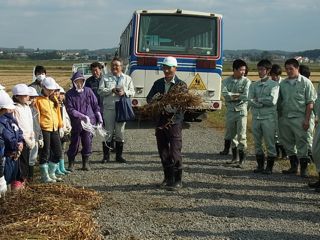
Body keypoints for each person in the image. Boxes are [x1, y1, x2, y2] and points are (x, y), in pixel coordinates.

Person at [146, 56, 187, 190]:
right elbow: (149, 98)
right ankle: (168, 178)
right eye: (165, 67)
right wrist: (156, 101)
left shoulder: (181, 85)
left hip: (174, 121)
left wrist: (172, 107)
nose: (167, 70)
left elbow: (183, 104)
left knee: (175, 150)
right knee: (163, 150)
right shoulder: (158, 83)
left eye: (169, 67)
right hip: (160, 120)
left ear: (175, 68)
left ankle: (178, 180)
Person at [278, 58, 317, 178]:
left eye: (291, 69)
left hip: (300, 118)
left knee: (302, 144)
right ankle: (293, 167)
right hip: (285, 118)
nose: (289, 71)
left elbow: (310, 103)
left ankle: (304, 169)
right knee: (288, 143)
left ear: (297, 68)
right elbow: (280, 102)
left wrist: (307, 120)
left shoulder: (305, 82)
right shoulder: (283, 84)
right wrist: (279, 118)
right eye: (287, 69)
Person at [98, 57, 135, 163]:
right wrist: (111, 90)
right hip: (109, 109)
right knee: (108, 133)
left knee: (120, 133)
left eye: (117, 65)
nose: (114, 67)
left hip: (122, 109)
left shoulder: (127, 78)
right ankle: (106, 157)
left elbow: (133, 92)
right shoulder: (105, 77)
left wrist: (125, 92)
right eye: (113, 65)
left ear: (121, 67)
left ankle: (119, 156)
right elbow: (100, 91)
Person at [65, 71, 103, 171]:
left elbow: (95, 105)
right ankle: (71, 163)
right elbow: (70, 109)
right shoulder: (69, 94)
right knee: (75, 142)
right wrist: (81, 116)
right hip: (76, 123)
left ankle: (85, 163)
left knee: (87, 142)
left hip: (89, 122)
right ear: (73, 82)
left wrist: (99, 117)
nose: (79, 84)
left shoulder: (88, 91)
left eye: (81, 81)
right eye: (77, 82)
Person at [248, 60, 279, 174]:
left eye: (262, 69)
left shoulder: (274, 85)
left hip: (268, 118)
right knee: (257, 143)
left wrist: (259, 100)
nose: (259, 72)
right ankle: (260, 166)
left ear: (268, 71)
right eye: (258, 69)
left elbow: (272, 101)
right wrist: (259, 103)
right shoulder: (254, 85)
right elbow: (250, 100)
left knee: (270, 142)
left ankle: (269, 168)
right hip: (256, 117)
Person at [221, 59, 251, 167]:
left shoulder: (247, 81)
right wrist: (238, 95)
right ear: (234, 70)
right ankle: (234, 157)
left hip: (241, 112)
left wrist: (232, 96)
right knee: (231, 135)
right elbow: (225, 94)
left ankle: (242, 159)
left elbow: (246, 96)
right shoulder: (226, 81)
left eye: (244, 70)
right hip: (230, 111)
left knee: (242, 135)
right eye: (241, 70)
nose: (243, 72)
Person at [35, 77, 64, 183]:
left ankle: (52, 173)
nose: (51, 91)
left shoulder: (54, 99)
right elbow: (37, 117)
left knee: (58, 152)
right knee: (45, 152)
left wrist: (61, 126)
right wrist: (38, 133)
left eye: (52, 90)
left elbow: (58, 114)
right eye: (49, 89)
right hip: (44, 129)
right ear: (43, 87)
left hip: (54, 128)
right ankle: (45, 175)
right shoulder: (38, 100)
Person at [0, 90, 24, 195]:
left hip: (12, 156)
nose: (11, 110)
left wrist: (20, 142)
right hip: (5, 157)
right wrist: (16, 145)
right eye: (9, 108)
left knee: (9, 180)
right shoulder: (2, 124)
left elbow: (18, 131)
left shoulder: (11, 120)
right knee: (4, 182)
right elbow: (7, 138)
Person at [12, 84, 35, 186]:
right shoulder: (15, 109)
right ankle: (17, 190)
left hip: (29, 139)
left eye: (28, 95)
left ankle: (23, 186)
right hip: (21, 141)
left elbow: (30, 124)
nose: (28, 97)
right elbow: (19, 126)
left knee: (25, 165)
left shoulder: (27, 107)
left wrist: (32, 136)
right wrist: (25, 139)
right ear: (17, 96)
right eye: (25, 95)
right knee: (20, 167)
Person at [270, 64, 287, 159]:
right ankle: (277, 152)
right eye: (272, 75)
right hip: (272, 111)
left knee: (283, 133)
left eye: (276, 75)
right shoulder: (269, 83)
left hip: (283, 111)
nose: (274, 77)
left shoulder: (284, 83)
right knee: (274, 133)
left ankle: (285, 153)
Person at [299, 64, 315, 162]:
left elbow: (312, 104)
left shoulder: (308, 85)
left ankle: (310, 159)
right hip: (304, 116)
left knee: (308, 138)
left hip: (309, 116)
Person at [28, 86, 44, 182]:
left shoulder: (35, 109)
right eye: (31, 97)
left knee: (33, 158)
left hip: (36, 138)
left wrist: (40, 136)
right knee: (27, 159)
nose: (33, 100)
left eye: (35, 97)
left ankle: (31, 176)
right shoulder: (25, 109)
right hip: (28, 138)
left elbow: (38, 124)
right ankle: (26, 177)